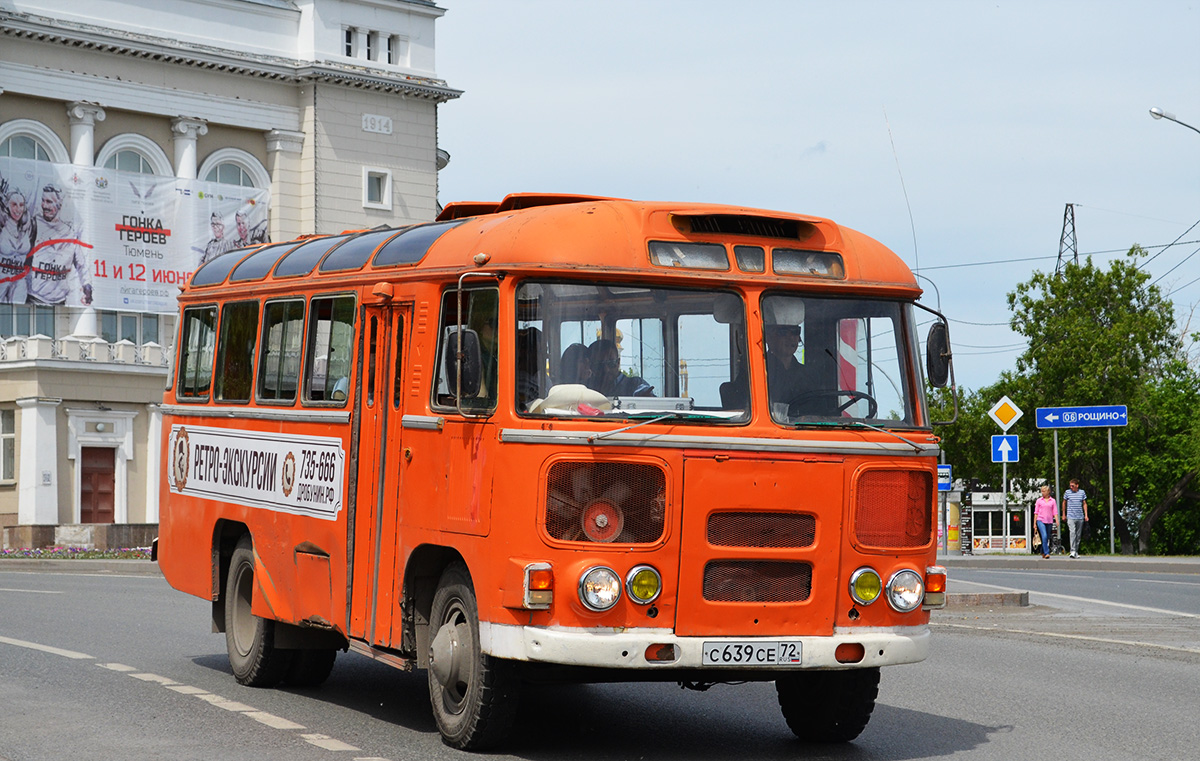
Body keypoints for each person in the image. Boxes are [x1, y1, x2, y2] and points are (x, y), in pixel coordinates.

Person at [29, 184, 92, 306]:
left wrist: (87, 286)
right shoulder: (34, 223)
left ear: (59, 205)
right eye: (43, 201)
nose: (44, 206)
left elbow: (81, 265)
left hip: (59, 301)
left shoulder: (69, 234)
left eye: (49, 202)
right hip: (34, 297)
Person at [0, 184, 34, 304]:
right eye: (14, 204)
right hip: (2, 279)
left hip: (19, 280)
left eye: (21, 205)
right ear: (7, 205)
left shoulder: (28, 228)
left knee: (17, 310)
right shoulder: (2, 227)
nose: (18, 209)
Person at [587, 339, 653, 397]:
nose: (606, 369)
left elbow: (642, 390)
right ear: (591, 366)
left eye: (611, 363)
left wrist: (644, 398)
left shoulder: (634, 384)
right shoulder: (585, 388)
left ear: (618, 362)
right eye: (600, 365)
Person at [1061, 478, 1088, 558]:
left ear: (1077, 485)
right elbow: (1064, 502)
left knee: (1078, 535)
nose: (1071, 487)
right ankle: (1072, 551)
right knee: (1072, 533)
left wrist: (1086, 515)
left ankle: (1076, 551)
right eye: (1070, 486)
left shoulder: (1082, 492)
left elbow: (1084, 503)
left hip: (1080, 516)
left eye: (1073, 486)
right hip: (1071, 516)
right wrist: (1063, 514)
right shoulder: (1067, 492)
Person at [1033, 485, 1059, 559]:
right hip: (1040, 520)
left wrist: (1057, 520)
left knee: (1047, 537)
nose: (1043, 493)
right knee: (1044, 536)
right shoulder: (1039, 501)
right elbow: (1036, 512)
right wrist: (1034, 523)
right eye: (1042, 491)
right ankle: (1047, 553)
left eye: (1044, 491)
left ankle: (1042, 551)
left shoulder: (1052, 501)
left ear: (1048, 492)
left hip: (1049, 521)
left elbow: (1055, 512)